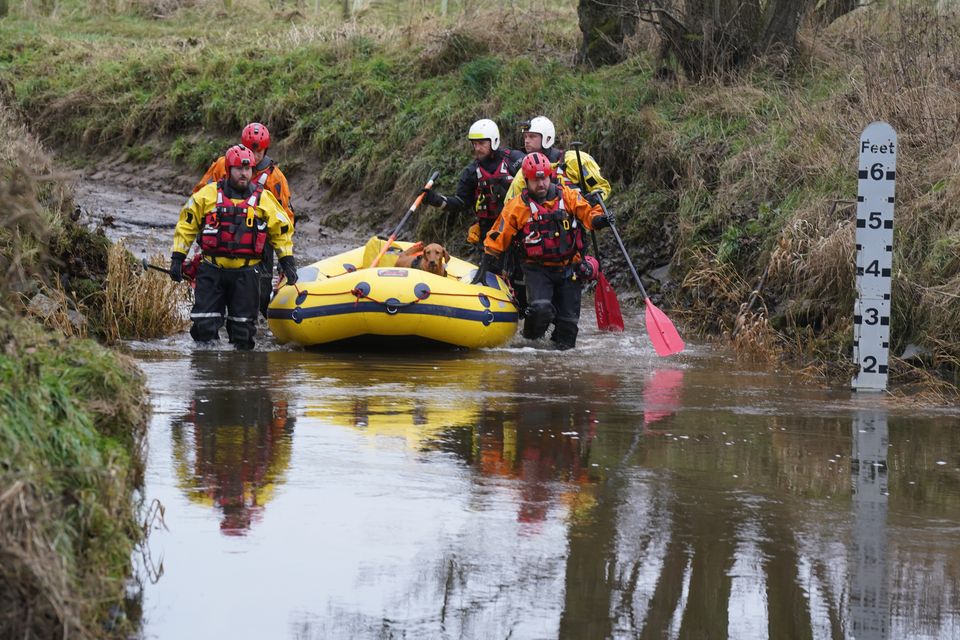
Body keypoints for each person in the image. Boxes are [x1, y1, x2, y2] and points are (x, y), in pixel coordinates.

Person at [478, 152, 614, 350]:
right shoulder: (517, 206)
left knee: (567, 331)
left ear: (550, 176)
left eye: (543, 178)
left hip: (569, 268)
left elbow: (588, 214)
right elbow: (498, 235)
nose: (540, 184)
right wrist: (486, 263)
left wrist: (600, 220)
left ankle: (558, 358)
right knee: (541, 310)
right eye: (535, 180)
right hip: (536, 269)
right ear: (526, 180)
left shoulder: (568, 196)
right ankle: (528, 344)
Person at [170, 144, 297, 350]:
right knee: (204, 329)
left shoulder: (264, 199)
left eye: (247, 169)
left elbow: (282, 232)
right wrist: (177, 259)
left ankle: (240, 375)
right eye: (239, 169)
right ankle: (208, 376)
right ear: (229, 170)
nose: (244, 173)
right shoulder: (206, 196)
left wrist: (287, 262)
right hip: (212, 270)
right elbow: (187, 224)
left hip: (246, 274)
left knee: (243, 334)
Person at [193, 123, 295, 317]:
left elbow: (285, 217)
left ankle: (255, 322)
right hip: (221, 234)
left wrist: (286, 258)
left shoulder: (275, 178)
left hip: (259, 242)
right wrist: (202, 229)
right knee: (214, 283)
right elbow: (200, 195)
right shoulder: (223, 165)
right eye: (250, 150)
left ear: (266, 150)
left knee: (262, 291)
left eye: (259, 151)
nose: (254, 156)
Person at [421, 119, 525, 246]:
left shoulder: (515, 159)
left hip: (516, 228)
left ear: (494, 141)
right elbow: (460, 203)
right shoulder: (471, 172)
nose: (477, 148)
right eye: (474, 144)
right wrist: (436, 200)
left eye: (481, 143)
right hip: (488, 233)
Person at [504, 115, 612, 203]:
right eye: (525, 137)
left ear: (548, 138)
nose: (527, 141)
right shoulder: (524, 172)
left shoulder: (573, 160)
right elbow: (510, 205)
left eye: (532, 136)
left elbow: (601, 188)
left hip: (575, 225)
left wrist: (595, 200)